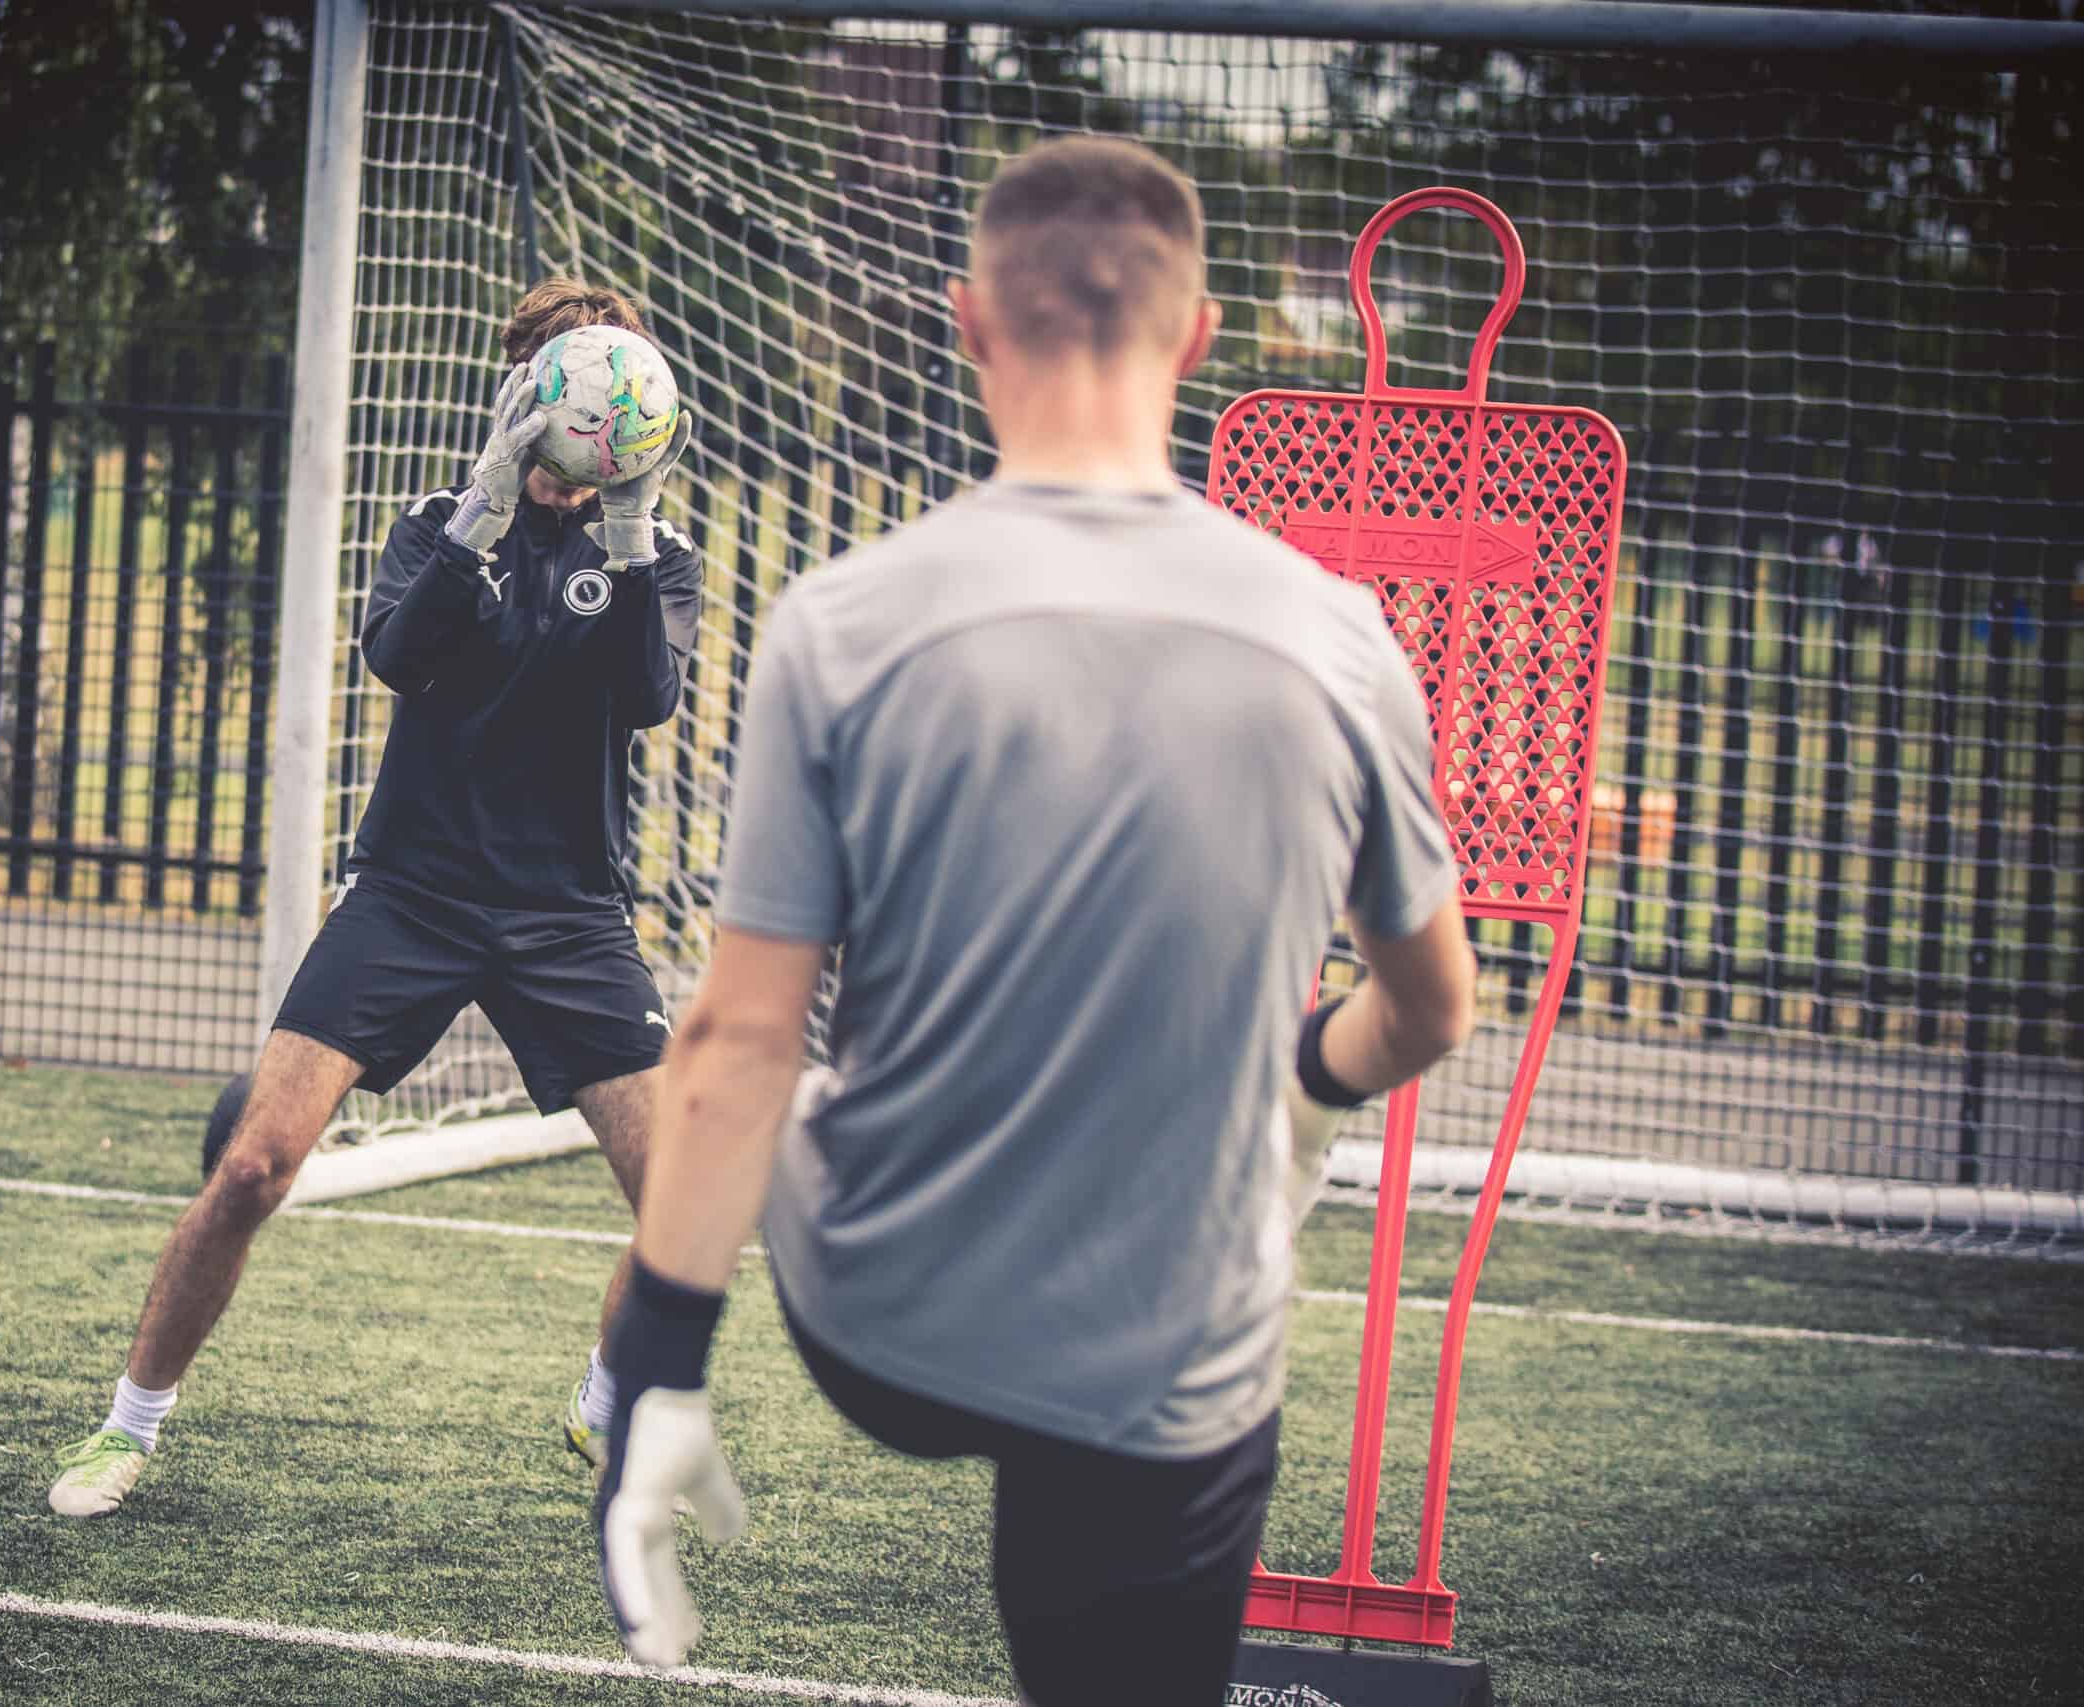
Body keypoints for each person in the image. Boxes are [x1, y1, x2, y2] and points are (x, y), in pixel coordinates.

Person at [587, 137, 1479, 1705]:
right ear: (1198, 338)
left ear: (970, 324)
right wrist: (1304, 1075)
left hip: (882, 1319)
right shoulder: (1342, 641)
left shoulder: (841, 626)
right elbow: (1430, 1009)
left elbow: (737, 1043)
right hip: (1165, 1350)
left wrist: (659, 1372)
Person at [48, 278, 704, 1517]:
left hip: (568, 913)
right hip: (412, 893)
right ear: (524, 397)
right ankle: (125, 1429)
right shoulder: (436, 526)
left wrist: (623, 533)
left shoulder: (657, 558)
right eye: (564, 389)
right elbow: (399, 656)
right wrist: (483, 520)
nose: (589, 423)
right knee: (252, 1166)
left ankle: (601, 1409)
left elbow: (649, 696)